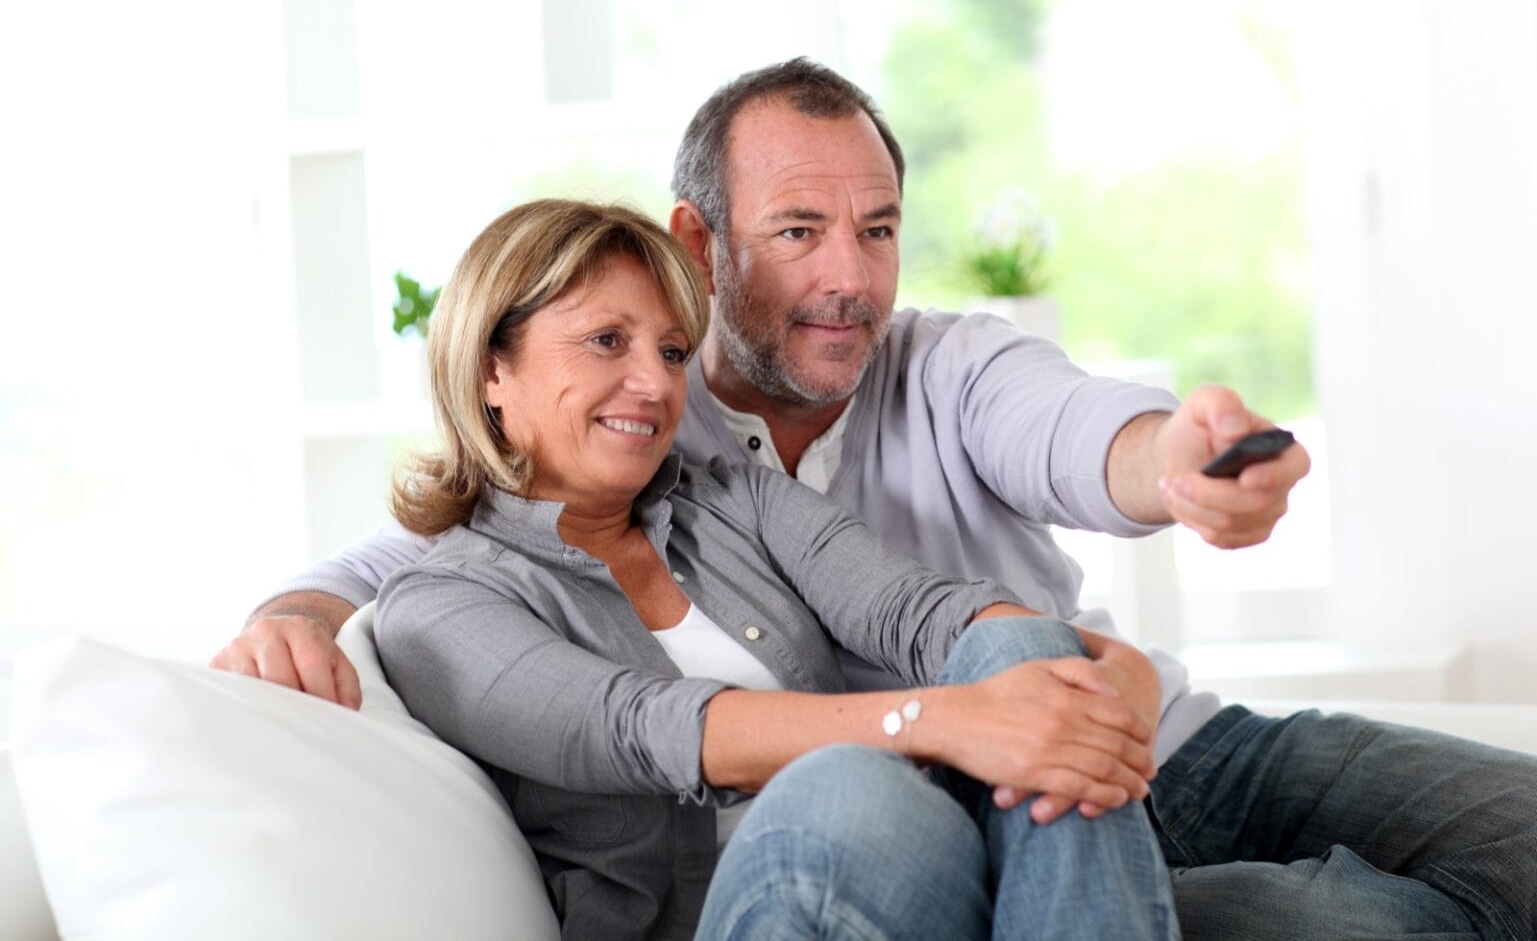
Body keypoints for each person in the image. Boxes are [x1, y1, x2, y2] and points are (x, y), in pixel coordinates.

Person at [215, 59, 1537, 939]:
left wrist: (1165, 484)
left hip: (1112, 758)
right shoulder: (513, 539)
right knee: (857, 786)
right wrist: (294, 611)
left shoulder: (747, 467)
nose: (850, 276)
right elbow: (456, 588)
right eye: (799, 231)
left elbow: (1057, 460)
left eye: (879, 229)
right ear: (702, 247)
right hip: (894, 821)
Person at [371, 197, 1180, 940]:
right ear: (491, 369)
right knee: (841, 787)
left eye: (672, 351)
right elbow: (642, 727)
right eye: (607, 341)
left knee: (1018, 652)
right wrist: (938, 721)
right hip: (750, 900)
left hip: (910, 884)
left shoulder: (735, 503)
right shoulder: (437, 608)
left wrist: (1102, 668)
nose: (655, 383)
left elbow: (918, 610)